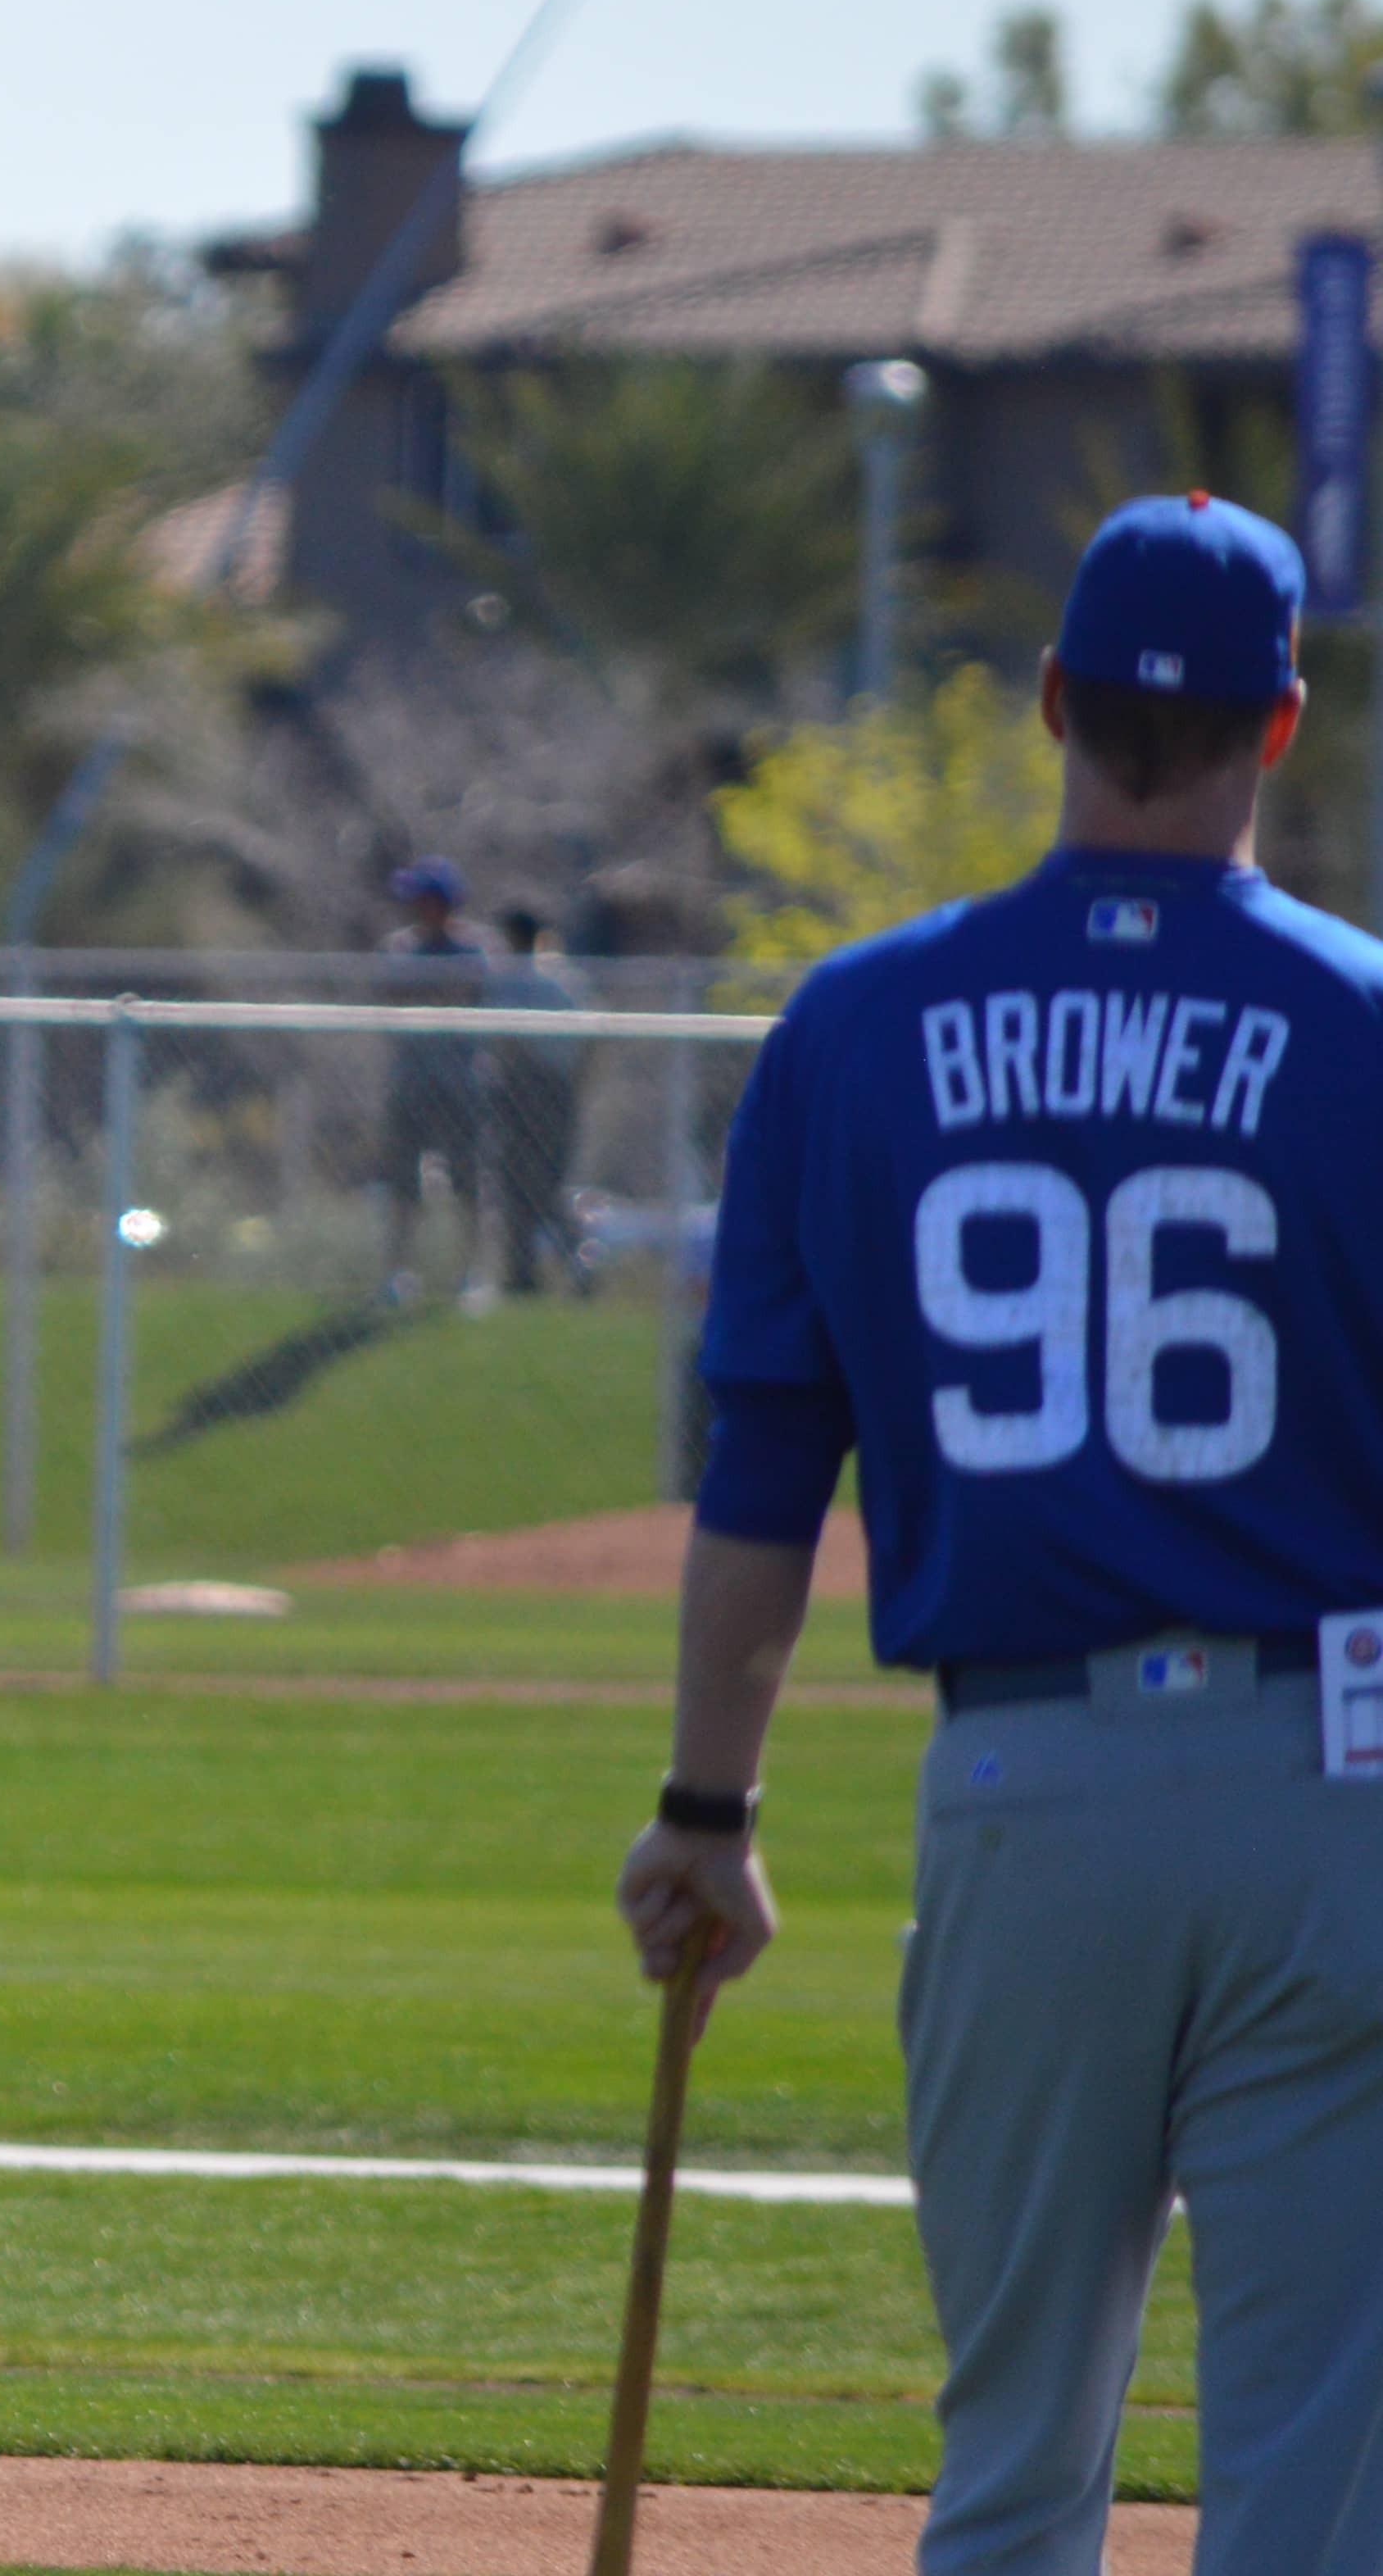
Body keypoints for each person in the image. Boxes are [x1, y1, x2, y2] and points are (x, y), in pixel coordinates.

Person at [617, 493, 1383, 2576]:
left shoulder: (852, 1026)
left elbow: (762, 1476)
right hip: (1332, 1779)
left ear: (1049, 700)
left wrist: (705, 1807)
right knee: (1316, 2477)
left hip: (1024, 1782)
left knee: (1016, 2462)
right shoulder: (1363, 1020)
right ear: (1279, 722)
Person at [373, 858, 495, 1306]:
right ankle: (400, 1273)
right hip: (412, 1081)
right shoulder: (401, 949)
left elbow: (469, 992)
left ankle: (472, 1273)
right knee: (404, 1182)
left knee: (466, 1180)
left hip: (459, 1083)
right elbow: (393, 995)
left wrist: (430, 991)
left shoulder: (472, 950)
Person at [483, 903, 594, 1298]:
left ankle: (562, 1264)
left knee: (532, 1183)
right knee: (533, 1182)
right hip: (555, 1088)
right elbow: (588, 1045)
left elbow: (507, 1038)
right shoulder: (564, 980)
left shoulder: (518, 980)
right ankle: (531, 1270)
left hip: (528, 1086)